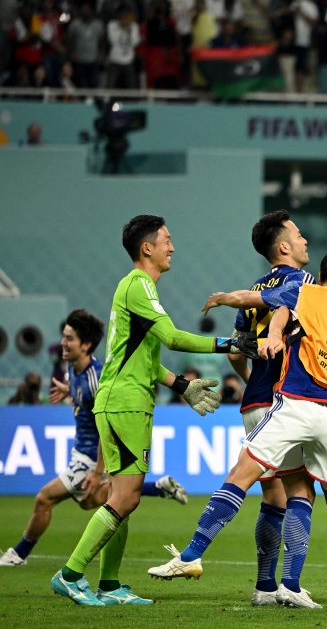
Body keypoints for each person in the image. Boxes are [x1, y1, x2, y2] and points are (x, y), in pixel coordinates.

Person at [148, 250, 327, 610]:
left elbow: (273, 307)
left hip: (294, 403)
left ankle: (192, 553)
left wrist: (250, 318)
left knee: (243, 473)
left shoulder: (305, 289)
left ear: (320, 273)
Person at [51, 215, 244, 606]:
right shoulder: (138, 285)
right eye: (167, 240)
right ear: (147, 248)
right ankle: (70, 575)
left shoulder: (137, 289)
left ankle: (108, 584)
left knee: (123, 495)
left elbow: (143, 358)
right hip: (124, 403)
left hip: (129, 401)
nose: (172, 247)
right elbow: (172, 337)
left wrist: (181, 384)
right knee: (125, 497)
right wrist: (230, 343)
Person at [1, 309, 187, 569]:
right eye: (64, 337)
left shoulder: (96, 378)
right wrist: (70, 391)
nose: (63, 344)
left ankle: (18, 554)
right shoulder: (74, 368)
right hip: (83, 453)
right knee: (95, 501)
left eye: (69, 339)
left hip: (90, 456)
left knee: (45, 498)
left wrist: (98, 469)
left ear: (86, 345)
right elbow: (85, 396)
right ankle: (158, 487)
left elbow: (105, 426)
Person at [224, 210, 315, 605]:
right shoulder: (302, 281)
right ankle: (290, 587)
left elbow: (234, 351)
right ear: (283, 246)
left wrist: (253, 382)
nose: (305, 239)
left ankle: (264, 586)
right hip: (285, 400)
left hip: (254, 401)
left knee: (273, 497)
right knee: (301, 492)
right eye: (298, 234)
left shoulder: (253, 290)